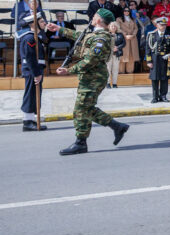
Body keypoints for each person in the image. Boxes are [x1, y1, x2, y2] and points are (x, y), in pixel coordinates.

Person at [48, 8, 130, 155]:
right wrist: (60, 29)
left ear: (99, 20)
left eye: (94, 16)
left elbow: (90, 60)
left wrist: (69, 70)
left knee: (81, 109)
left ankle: (81, 142)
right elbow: (80, 36)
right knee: (86, 108)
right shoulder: (95, 35)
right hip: (90, 76)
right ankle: (116, 126)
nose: (92, 17)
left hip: (94, 77)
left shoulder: (101, 38)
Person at [19, 13, 48, 131]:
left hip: (36, 71)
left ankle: (31, 120)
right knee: (31, 95)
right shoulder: (30, 38)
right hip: (32, 71)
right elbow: (30, 58)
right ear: (33, 24)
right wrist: (36, 73)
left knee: (34, 95)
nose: (44, 23)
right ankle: (27, 122)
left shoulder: (36, 37)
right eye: (41, 22)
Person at [146, 17, 170, 102]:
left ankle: (163, 96)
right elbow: (148, 49)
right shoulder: (151, 35)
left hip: (165, 59)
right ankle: (155, 97)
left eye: (164, 25)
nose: (163, 26)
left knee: (164, 78)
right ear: (157, 25)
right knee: (154, 78)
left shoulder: (169, 35)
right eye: (161, 25)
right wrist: (149, 61)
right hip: (155, 58)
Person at [119, 9, 139, 74]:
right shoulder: (119, 19)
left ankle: (130, 71)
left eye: (128, 11)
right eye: (125, 11)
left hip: (132, 39)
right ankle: (121, 72)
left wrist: (132, 35)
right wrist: (125, 35)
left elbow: (136, 28)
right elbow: (118, 28)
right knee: (123, 56)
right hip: (124, 38)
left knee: (131, 55)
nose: (126, 12)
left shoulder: (133, 19)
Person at [106, 21, 125, 88]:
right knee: (108, 69)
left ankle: (114, 83)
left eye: (115, 26)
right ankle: (107, 83)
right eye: (112, 26)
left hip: (117, 54)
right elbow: (104, 43)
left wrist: (118, 47)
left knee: (115, 69)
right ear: (109, 27)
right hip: (108, 54)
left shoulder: (120, 34)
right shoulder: (106, 34)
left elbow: (123, 43)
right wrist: (111, 48)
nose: (113, 27)